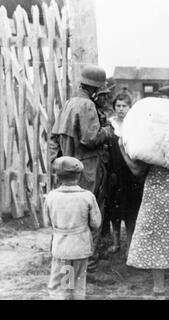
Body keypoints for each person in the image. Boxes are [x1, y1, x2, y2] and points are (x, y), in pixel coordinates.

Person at [120, 86, 169, 300]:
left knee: (155, 243)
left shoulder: (155, 147)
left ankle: (159, 293)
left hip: (156, 198)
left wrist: (123, 150)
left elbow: (136, 170)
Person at [49, 65, 113, 273]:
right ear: (95, 89)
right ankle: (89, 266)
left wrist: (56, 163)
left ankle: (65, 264)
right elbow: (91, 138)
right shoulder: (86, 105)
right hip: (87, 169)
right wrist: (107, 131)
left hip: (68, 170)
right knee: (90, 214)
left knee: (68, 218)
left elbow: (54, 138)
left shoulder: (69, 103)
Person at [45, 157, 101, 300]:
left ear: (58, 176)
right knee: (77, 285)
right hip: (80, 247)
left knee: (63, 286)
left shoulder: (51, 196)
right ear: (79, 175)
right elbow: (96, 223)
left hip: (62, 248)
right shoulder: (87, 196)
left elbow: (47, 222)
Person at [106, 93, 143, 254]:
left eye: (124, 106)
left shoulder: (134, 125)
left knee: (131, 209)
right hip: (114, 172)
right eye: (118, 106)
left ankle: (130, 244)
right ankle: (115, 243)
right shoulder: (110, 125)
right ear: (114, 108)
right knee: (114, 208)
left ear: (130, 107)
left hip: (131, 172)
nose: (121, 109)